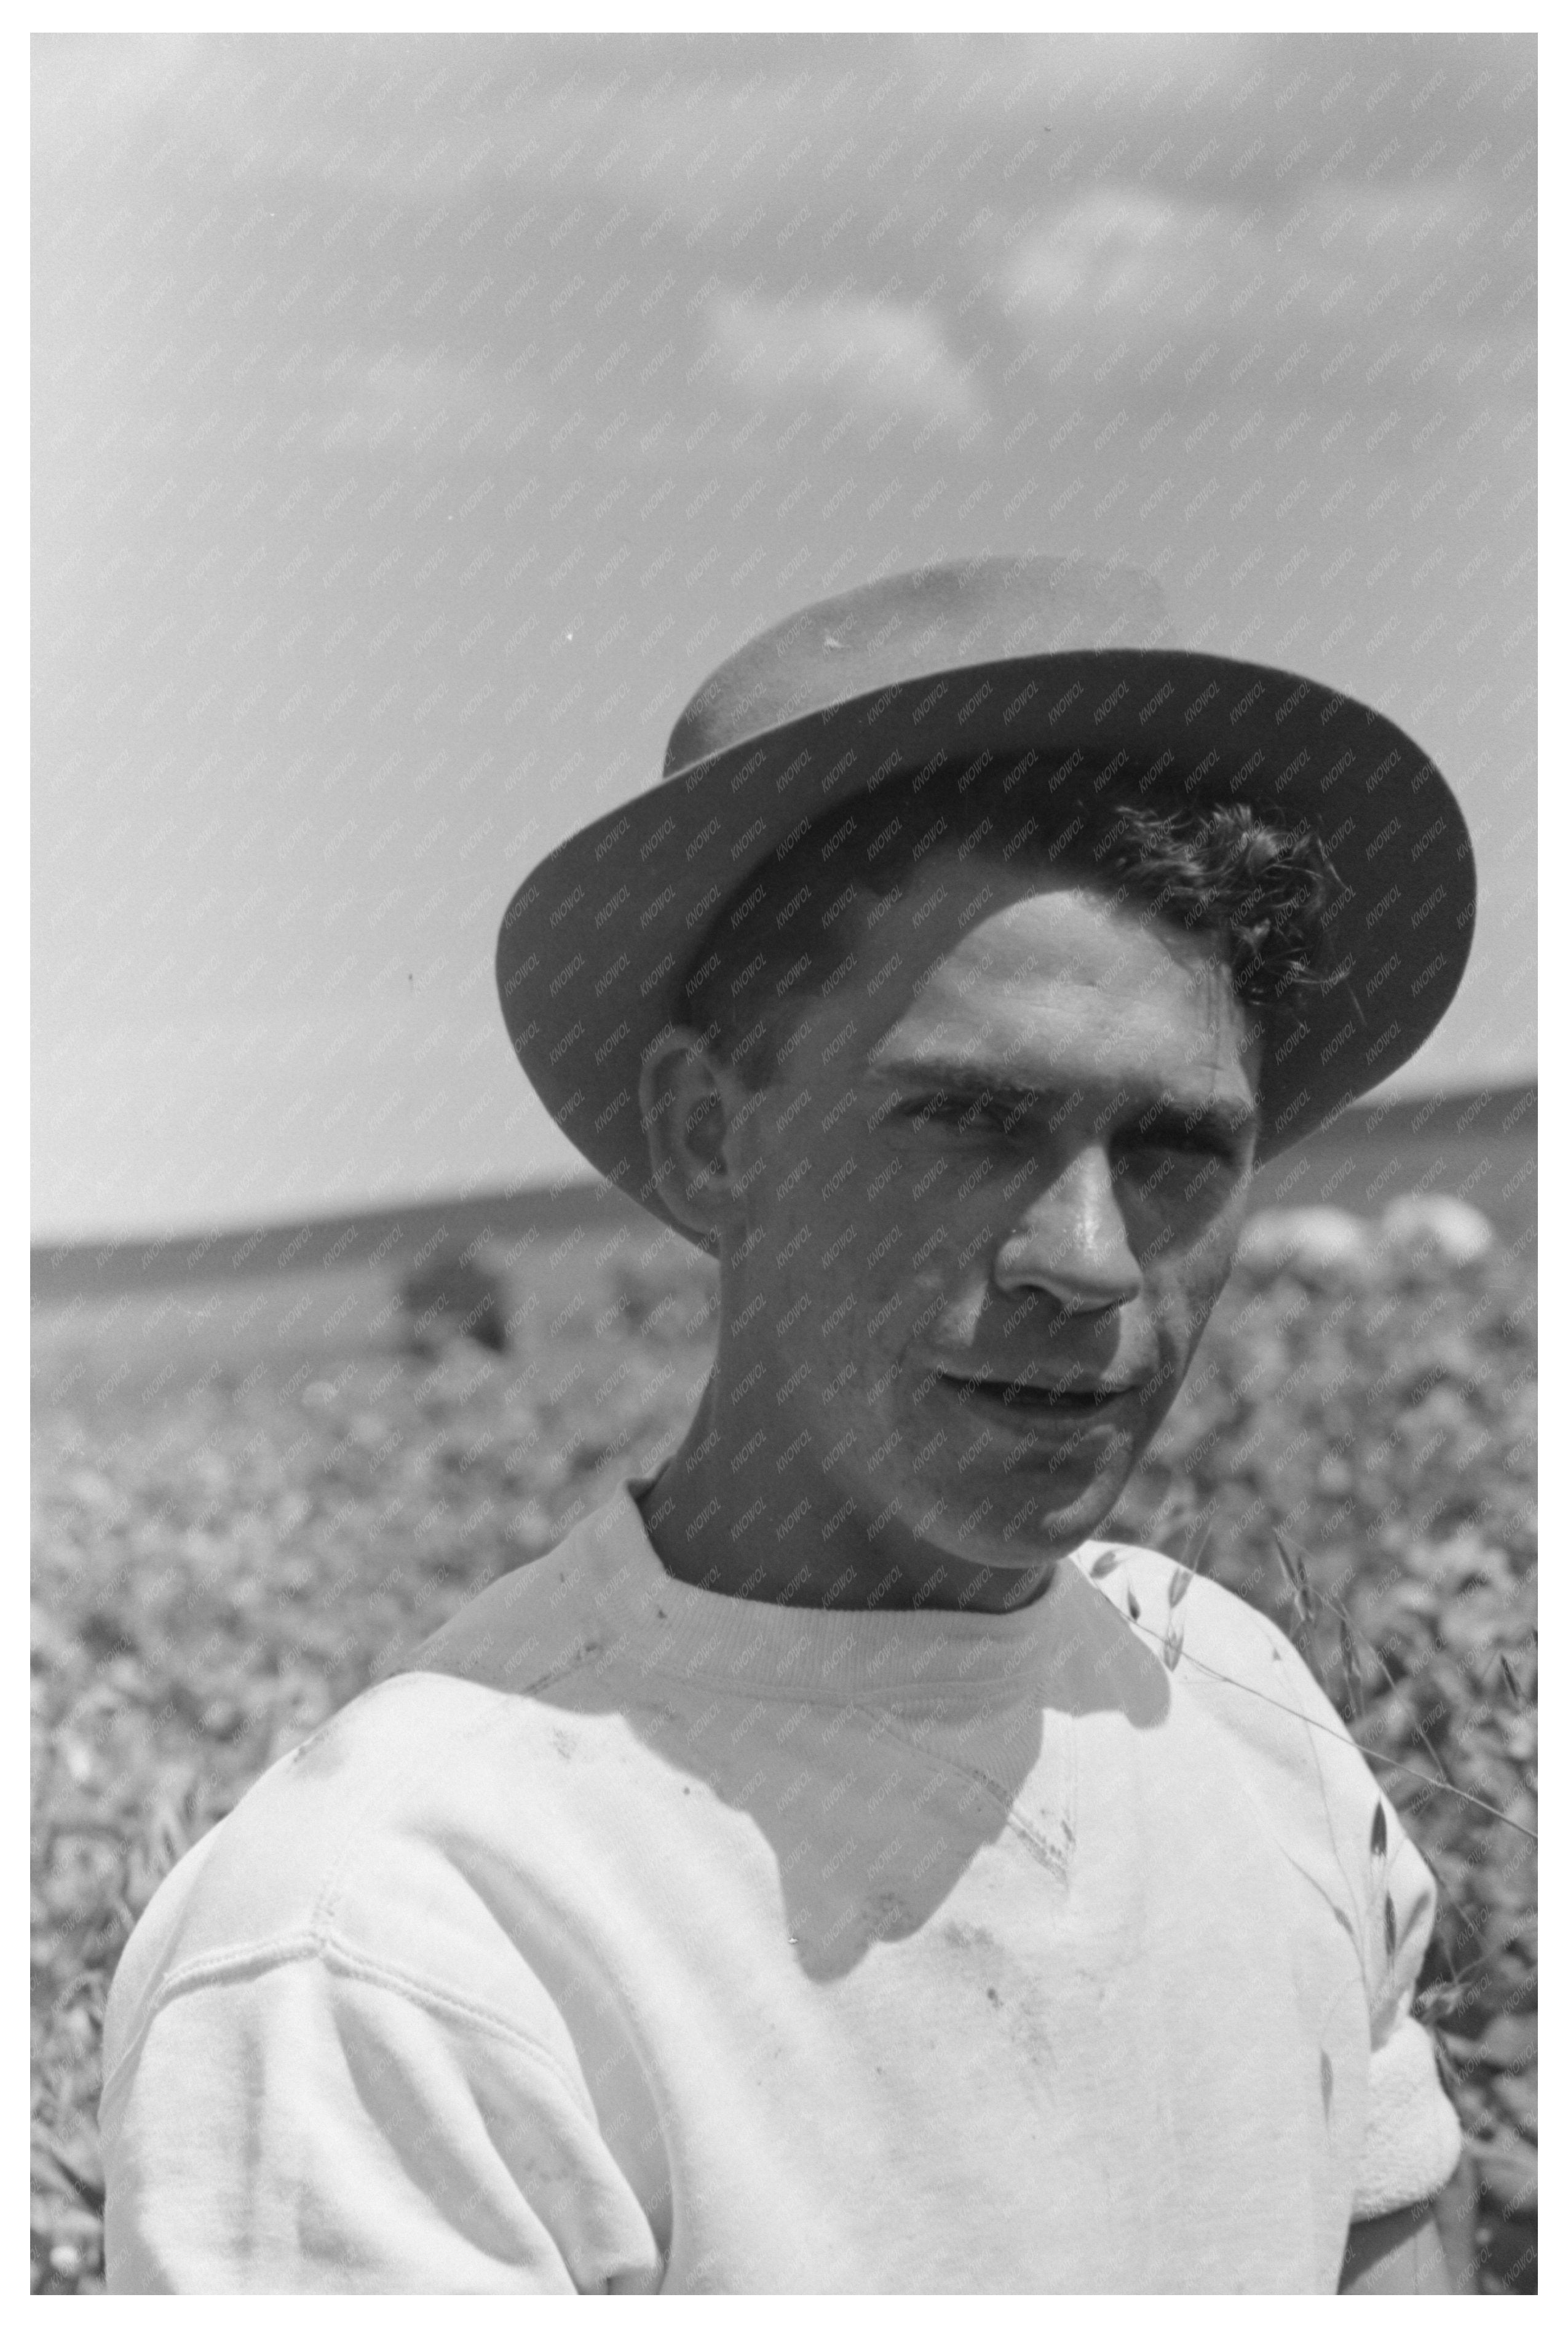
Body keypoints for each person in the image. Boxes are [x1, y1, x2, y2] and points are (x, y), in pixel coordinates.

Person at [101, 555, 1475, 2293]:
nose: (1091, 1257)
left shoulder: (1241, 1704)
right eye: (966, 1119)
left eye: (1180, 1148)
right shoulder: (407, 1942)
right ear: (707, 1135)